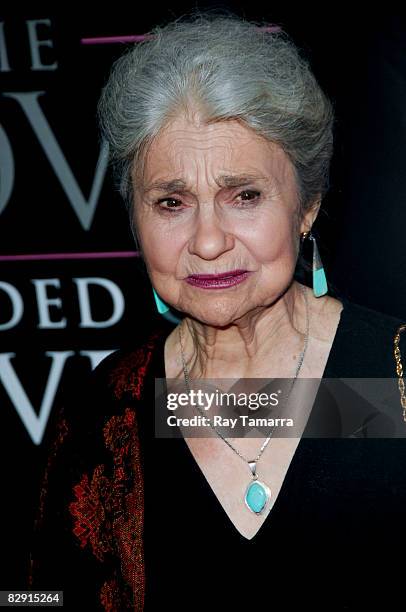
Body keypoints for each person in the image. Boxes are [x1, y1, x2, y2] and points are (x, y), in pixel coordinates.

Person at [28, 10, 406, 611]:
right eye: (172, 202)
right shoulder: (106, 412)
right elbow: (44, 596)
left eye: (245, 196)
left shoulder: (394, 376)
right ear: (135, 220)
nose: (207, 241)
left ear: (307, 205)